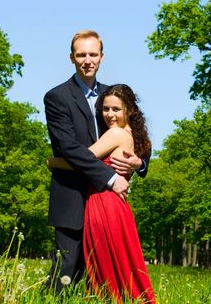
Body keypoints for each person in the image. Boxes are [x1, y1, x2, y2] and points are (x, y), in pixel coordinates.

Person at [43, 30, 148, 293]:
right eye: (81, 55)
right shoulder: (57, 97)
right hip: (72, 196)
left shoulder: (111, 96)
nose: (87, 60)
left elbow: (135, 131)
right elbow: (70, 149)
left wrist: (139, 162)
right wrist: (110, 177)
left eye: (93, 54)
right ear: (72, 58)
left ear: (101, 57)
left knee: (101, 276)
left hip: (105, 202)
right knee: (66, 268)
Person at [47, 84, 156, 303]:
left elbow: (83, 160)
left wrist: (52, 162)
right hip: (117, 206)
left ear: (129, 110)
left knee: (105, 267)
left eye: (116, 109)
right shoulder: (138, 136)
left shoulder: (115, 133)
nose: (109, 115)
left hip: (103, 203)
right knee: (120, 266)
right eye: (105, 109)